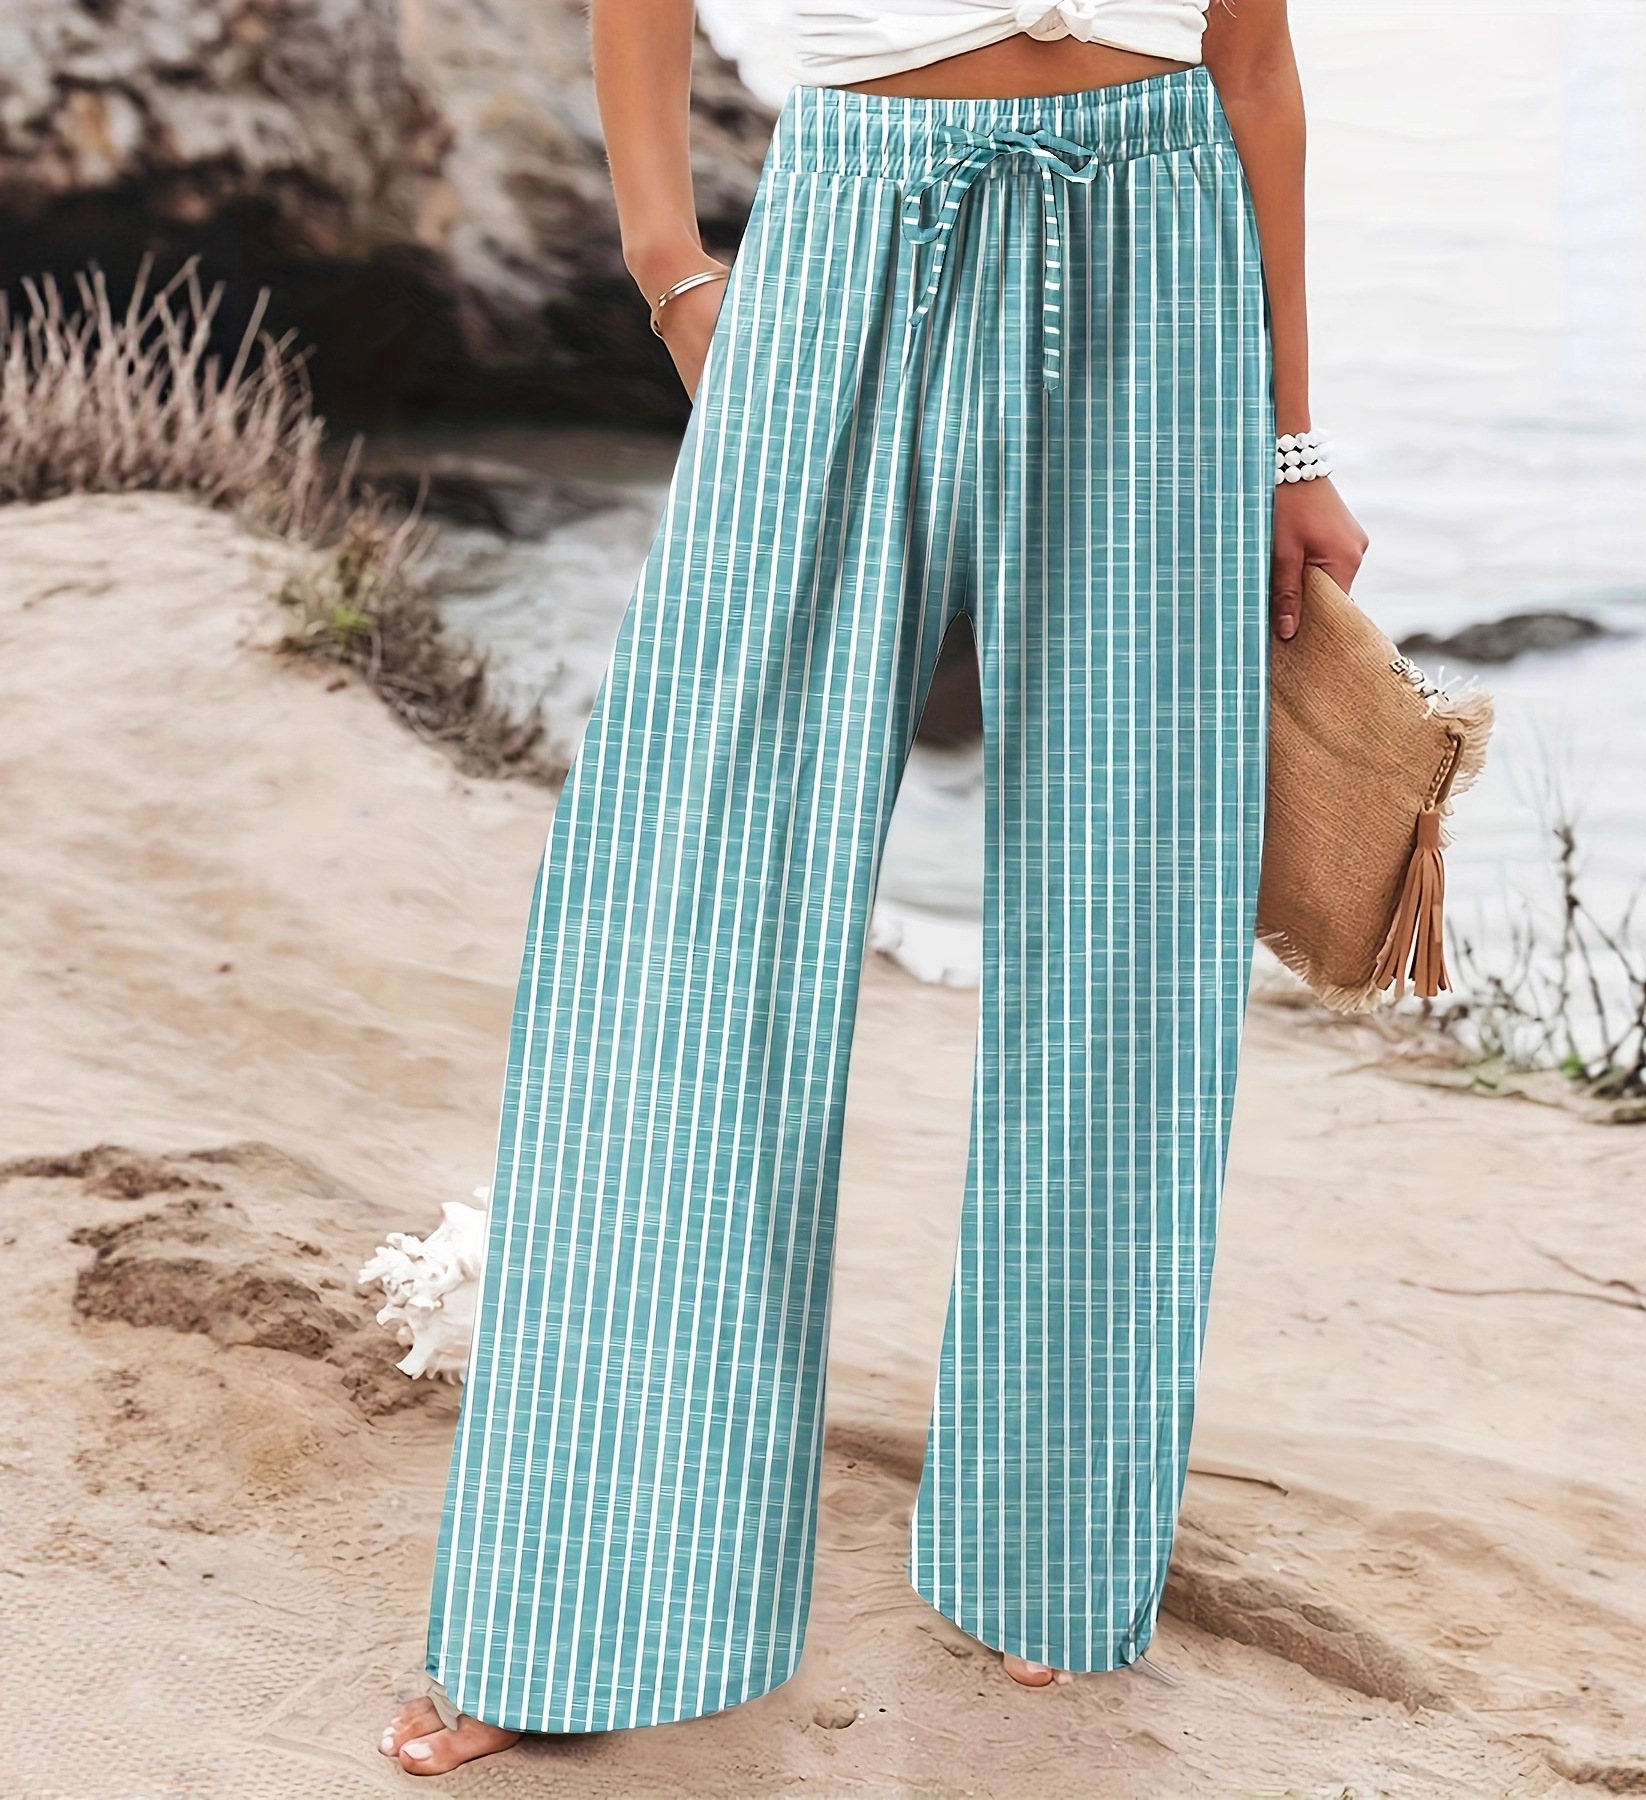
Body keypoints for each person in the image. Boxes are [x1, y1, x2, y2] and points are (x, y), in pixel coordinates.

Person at [380, 0, 1366, 1775]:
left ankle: (1048, 1557)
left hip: (1164, 253)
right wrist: (672, 268)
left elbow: (1255, 59)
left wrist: (1292, 446)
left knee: (1130, 939)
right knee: (686, 917)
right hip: (851, 233)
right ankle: (572, 1605)